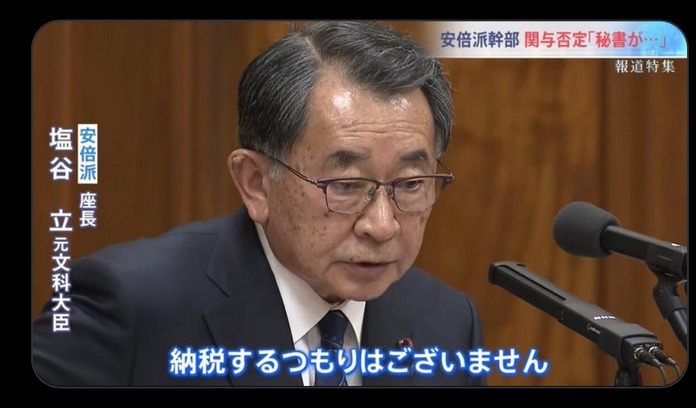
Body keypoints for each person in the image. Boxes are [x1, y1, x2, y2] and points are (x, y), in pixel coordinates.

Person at [32, 21, 485, 387]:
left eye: (410, 183)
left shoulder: (447, 323)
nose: (382, 225)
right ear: (255, 184)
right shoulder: (128, 307)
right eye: (346, 185)